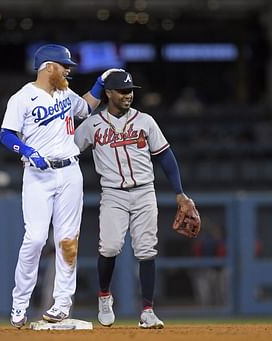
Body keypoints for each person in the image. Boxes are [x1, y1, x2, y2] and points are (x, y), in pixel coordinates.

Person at [0, 43, 120, 328]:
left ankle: (62, 304)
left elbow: (86, 108)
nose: (68, 70)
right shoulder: (23, 97)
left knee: (68, 241)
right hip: (38, 175)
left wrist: (100, 83)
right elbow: (6, 134)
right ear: (48, 67)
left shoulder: (65, 93)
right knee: (36, 239)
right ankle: (19, 304)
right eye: (64, 65)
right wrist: (26, 151)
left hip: (69, 173)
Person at [74, 71, 201, 329]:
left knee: (146, 250)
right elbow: (69, 150)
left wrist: (180, 192)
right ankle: (104, 297)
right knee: (109, 248)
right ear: (108, 93)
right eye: (122, 90)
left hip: (144, 191)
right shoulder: (92, 125)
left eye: (130, 90)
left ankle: (147, 311)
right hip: (113, 192)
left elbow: (166, 156)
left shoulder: (145, 121)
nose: (128, 94)